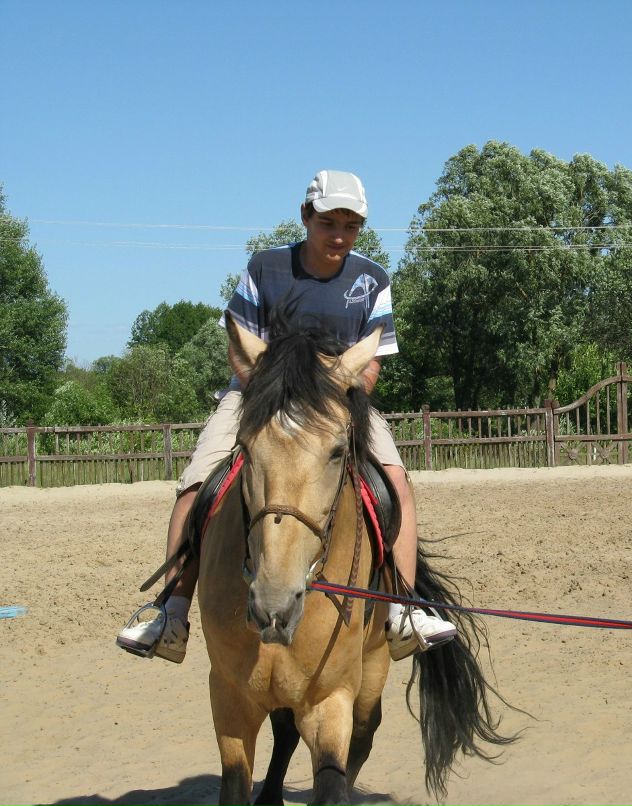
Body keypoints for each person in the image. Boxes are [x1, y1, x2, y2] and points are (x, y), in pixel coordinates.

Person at [117, 170, 455, 663]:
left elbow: (373, 360)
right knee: (196, 485)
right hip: (261, 392)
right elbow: (239, 347)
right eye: (328, 222)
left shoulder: (373, 279)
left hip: (337, 395)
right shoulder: (265, 268)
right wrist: (273, 397)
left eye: (351, 225)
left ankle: (404, 607)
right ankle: (170, 612)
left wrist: (333, 392)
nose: (339, 235)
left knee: (396, 480)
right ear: (305, 217)